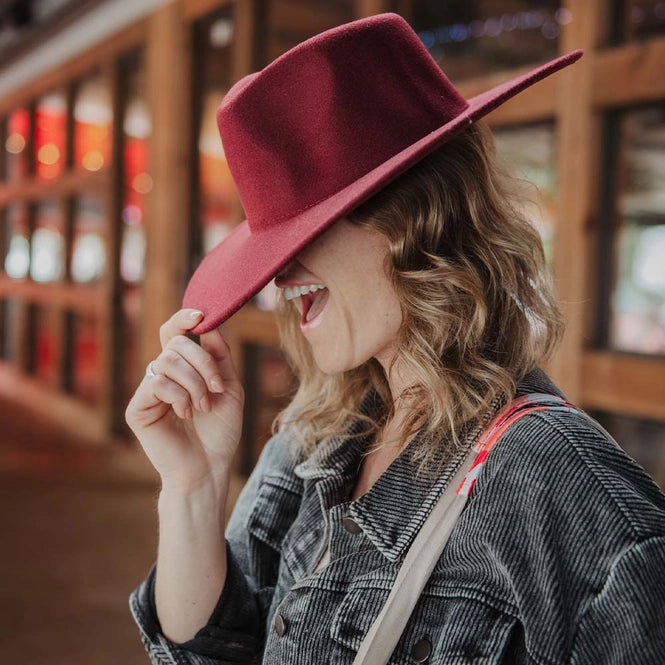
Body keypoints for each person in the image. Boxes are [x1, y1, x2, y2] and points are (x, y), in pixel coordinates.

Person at [126, 13, 665, 665]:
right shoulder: (310, 438)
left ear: (416, 217)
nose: (280, 271)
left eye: (305, 232)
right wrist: (192, 486)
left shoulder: (564, 486)